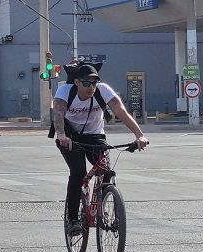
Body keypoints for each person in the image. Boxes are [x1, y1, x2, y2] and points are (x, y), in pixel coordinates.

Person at [53, 63, 149, 236]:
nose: (92, 87)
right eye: (87, 83)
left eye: (94, 83)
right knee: (78, 172)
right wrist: (61, 134)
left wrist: (139, 135)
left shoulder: (103, 91)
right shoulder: (65, 91)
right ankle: (73, 219)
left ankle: (102, 207)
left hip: (95, 135)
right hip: (69, 136)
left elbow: (121, 112)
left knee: (105, 171)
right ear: (77, 82)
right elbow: (59, 114)